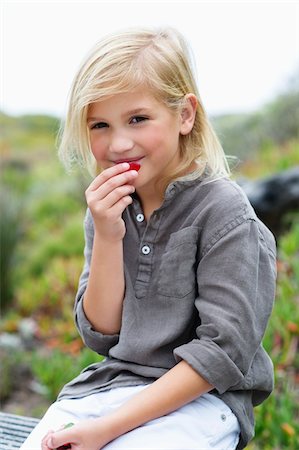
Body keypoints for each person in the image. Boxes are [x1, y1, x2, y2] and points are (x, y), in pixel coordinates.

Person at [21, 27, 277, 450]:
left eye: (138, 119)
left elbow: (222, 355)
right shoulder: (108, 208)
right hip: (111, 386)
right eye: (100, 125)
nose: (119, 143)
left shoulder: (225, 213)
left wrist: (108, 430)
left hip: (203, 400)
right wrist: (107, 234)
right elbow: (102, 334)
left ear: (185, 116)